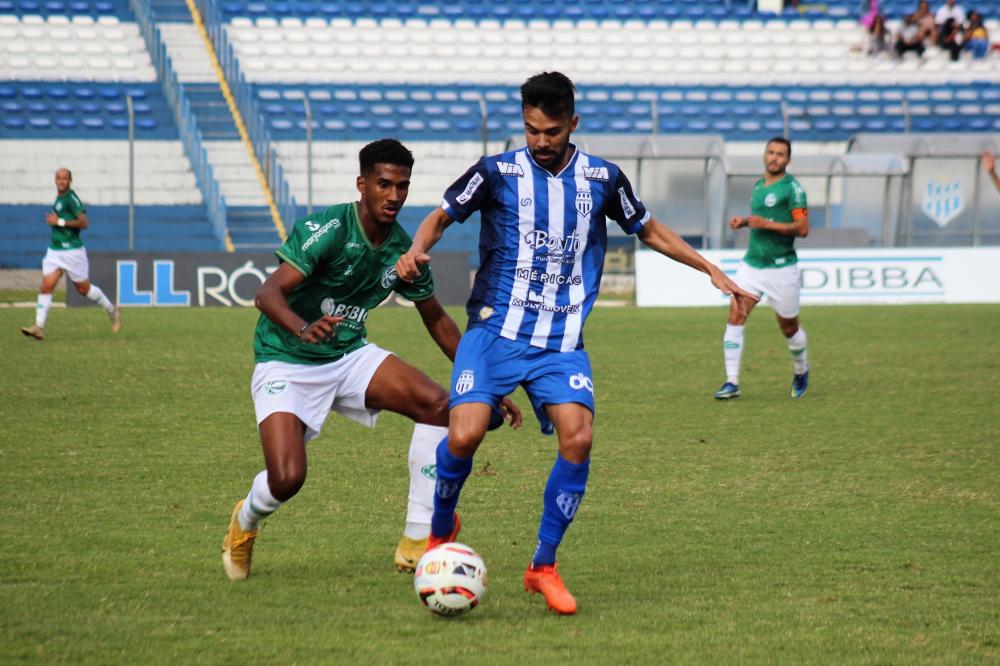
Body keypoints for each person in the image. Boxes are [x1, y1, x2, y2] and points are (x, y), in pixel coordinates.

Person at [395, 72, 757, 615]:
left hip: (560, 341)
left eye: (553, 130)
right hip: (493, 330)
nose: (541, 141)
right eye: (532, 129)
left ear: (573, 124)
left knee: (579, 437)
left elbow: (650, 228)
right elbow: (440, 216)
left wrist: (710, 269)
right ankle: (440, 531)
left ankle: (542, 566)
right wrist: (418, 249)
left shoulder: (602, 178)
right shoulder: (497, 172)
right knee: (464, 434)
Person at [220, 139, 523, 581]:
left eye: (402, 186)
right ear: (362, 184)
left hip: (347, 355)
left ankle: (416, 539)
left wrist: (483, 383)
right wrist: (303, 328)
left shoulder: (402, 249)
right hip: (286, 359)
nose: (394, 196)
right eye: (384, 184)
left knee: (442, 407)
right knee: (286, 478)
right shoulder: (329, 229)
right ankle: (243, 524)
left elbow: (437, 320)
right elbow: (266, 293)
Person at [715, 137, 810, 401]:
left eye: (781, 154)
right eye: (771, 153)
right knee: (736, 316)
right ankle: (731, 382)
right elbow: (760, 221)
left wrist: (765, 223)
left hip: (782, 268)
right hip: (752, 265)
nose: (774, 158)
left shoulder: (793, 189)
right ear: (764, 155)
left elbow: (802, 229)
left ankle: (801, 370)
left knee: (789, 327)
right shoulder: (758, 186)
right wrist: (745, 221)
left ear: (788, 160)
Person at [20, 168, 120, 340]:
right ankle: (39, 326)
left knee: (84, 289)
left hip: (72, 251)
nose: (61, 181)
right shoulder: (59, 197)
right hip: (55, 250)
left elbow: (84, 222)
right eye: (59, 178)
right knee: (46, 285)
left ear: (70, 181)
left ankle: (112, 310)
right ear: (55, 180)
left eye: (65, 178)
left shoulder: (72, 199)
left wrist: (57, 221)